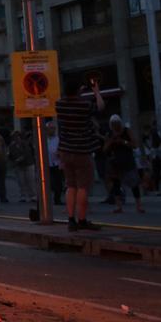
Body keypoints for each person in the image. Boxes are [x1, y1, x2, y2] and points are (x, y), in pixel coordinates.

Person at [55, 77, 105, 232]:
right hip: (82, 150)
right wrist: (96, 91)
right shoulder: (84, 105)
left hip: (65, 150)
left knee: (70, 185)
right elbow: (101, 107)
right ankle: (82, 219)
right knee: (83, 186)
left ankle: (71, 220)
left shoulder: (60, 105)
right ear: (79, 90)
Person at [104, 115, 143, 214]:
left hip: (128, 161)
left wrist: (123, 142)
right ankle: (118, 206)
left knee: (134, 184)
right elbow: (104, 149)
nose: (115, 126)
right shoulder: (109, 134)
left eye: (116, 123)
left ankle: (138, 206)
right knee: (116, 184)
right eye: (113, 124)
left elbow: (134, 144)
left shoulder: (126, 131)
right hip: (115, 162)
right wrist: (112, 141)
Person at [8, 128, 36, 203]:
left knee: (30, 181)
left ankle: (32, 195)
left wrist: (20, 159)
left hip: (28, 164)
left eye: (17, 136)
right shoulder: (12, 146)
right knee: (21, 181)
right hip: (18, 166)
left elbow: (27, 153)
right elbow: (10, 155)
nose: (16, 138)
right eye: (14, 137)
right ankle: (23, 196)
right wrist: (12, 161)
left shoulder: (25, 144)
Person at [46, 121, 65, 205]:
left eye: (54, 128)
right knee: (49, 183)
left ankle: (57, 199)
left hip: (57, 164)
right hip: (47, 164)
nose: (52, 130)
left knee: (58, 183)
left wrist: (59, 153)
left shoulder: (58, 139)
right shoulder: (43, 139)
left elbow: (62, 150)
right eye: (51, 128)